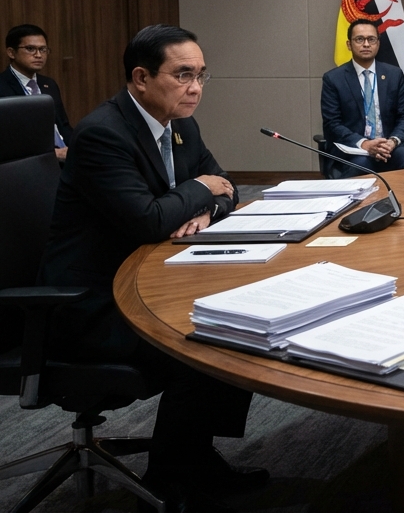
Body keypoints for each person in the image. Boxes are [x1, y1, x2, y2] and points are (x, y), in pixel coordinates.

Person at [36, 25, 265, 507]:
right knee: (214, 343)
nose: (196, 87)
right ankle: (173, 476)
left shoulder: (182, 124)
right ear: (140, 78)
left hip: (148, 279)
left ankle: (192, 459)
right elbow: (148, 219)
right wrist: (200, 191)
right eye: (183, 75)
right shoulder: (102, 134)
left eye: (202, 75)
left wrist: (204, 206)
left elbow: (226, 185)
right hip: (88, 304)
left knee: (238, 323)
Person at [320, 18, 404, 176]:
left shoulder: (394, 75)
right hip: (354, 148)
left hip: (389, 144)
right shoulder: (334, 79)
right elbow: (333, 123)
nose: (366, 44)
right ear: (349, 44)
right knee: (361, 167)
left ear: (378, 43)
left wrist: (392, 141)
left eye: (371, 39)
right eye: (360, 39)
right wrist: (365, 143)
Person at [2, 23, 73, 159]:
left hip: (66, 158)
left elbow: (63, 125)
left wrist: (77, 147)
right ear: (11, 52)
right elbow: (8, 140)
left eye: (43, 49)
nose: (38, 55)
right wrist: (52, 154)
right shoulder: (2, 87)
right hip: (32, 163)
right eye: (30, 49)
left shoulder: (49, 84)